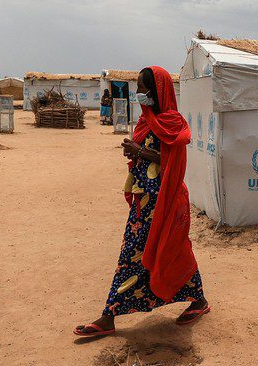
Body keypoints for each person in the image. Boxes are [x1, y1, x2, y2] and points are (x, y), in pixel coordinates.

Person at [74, 67, 209, 338]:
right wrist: (135, 154)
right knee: (154, 251)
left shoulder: (173, 122)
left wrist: (141, 152)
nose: (139, 93)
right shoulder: (146, 120)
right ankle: (197, 300)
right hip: (143, 202)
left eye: (143, 87)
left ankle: (108, 316)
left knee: (159, 250)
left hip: (164, 200)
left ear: (157, 91)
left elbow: (176, 161)